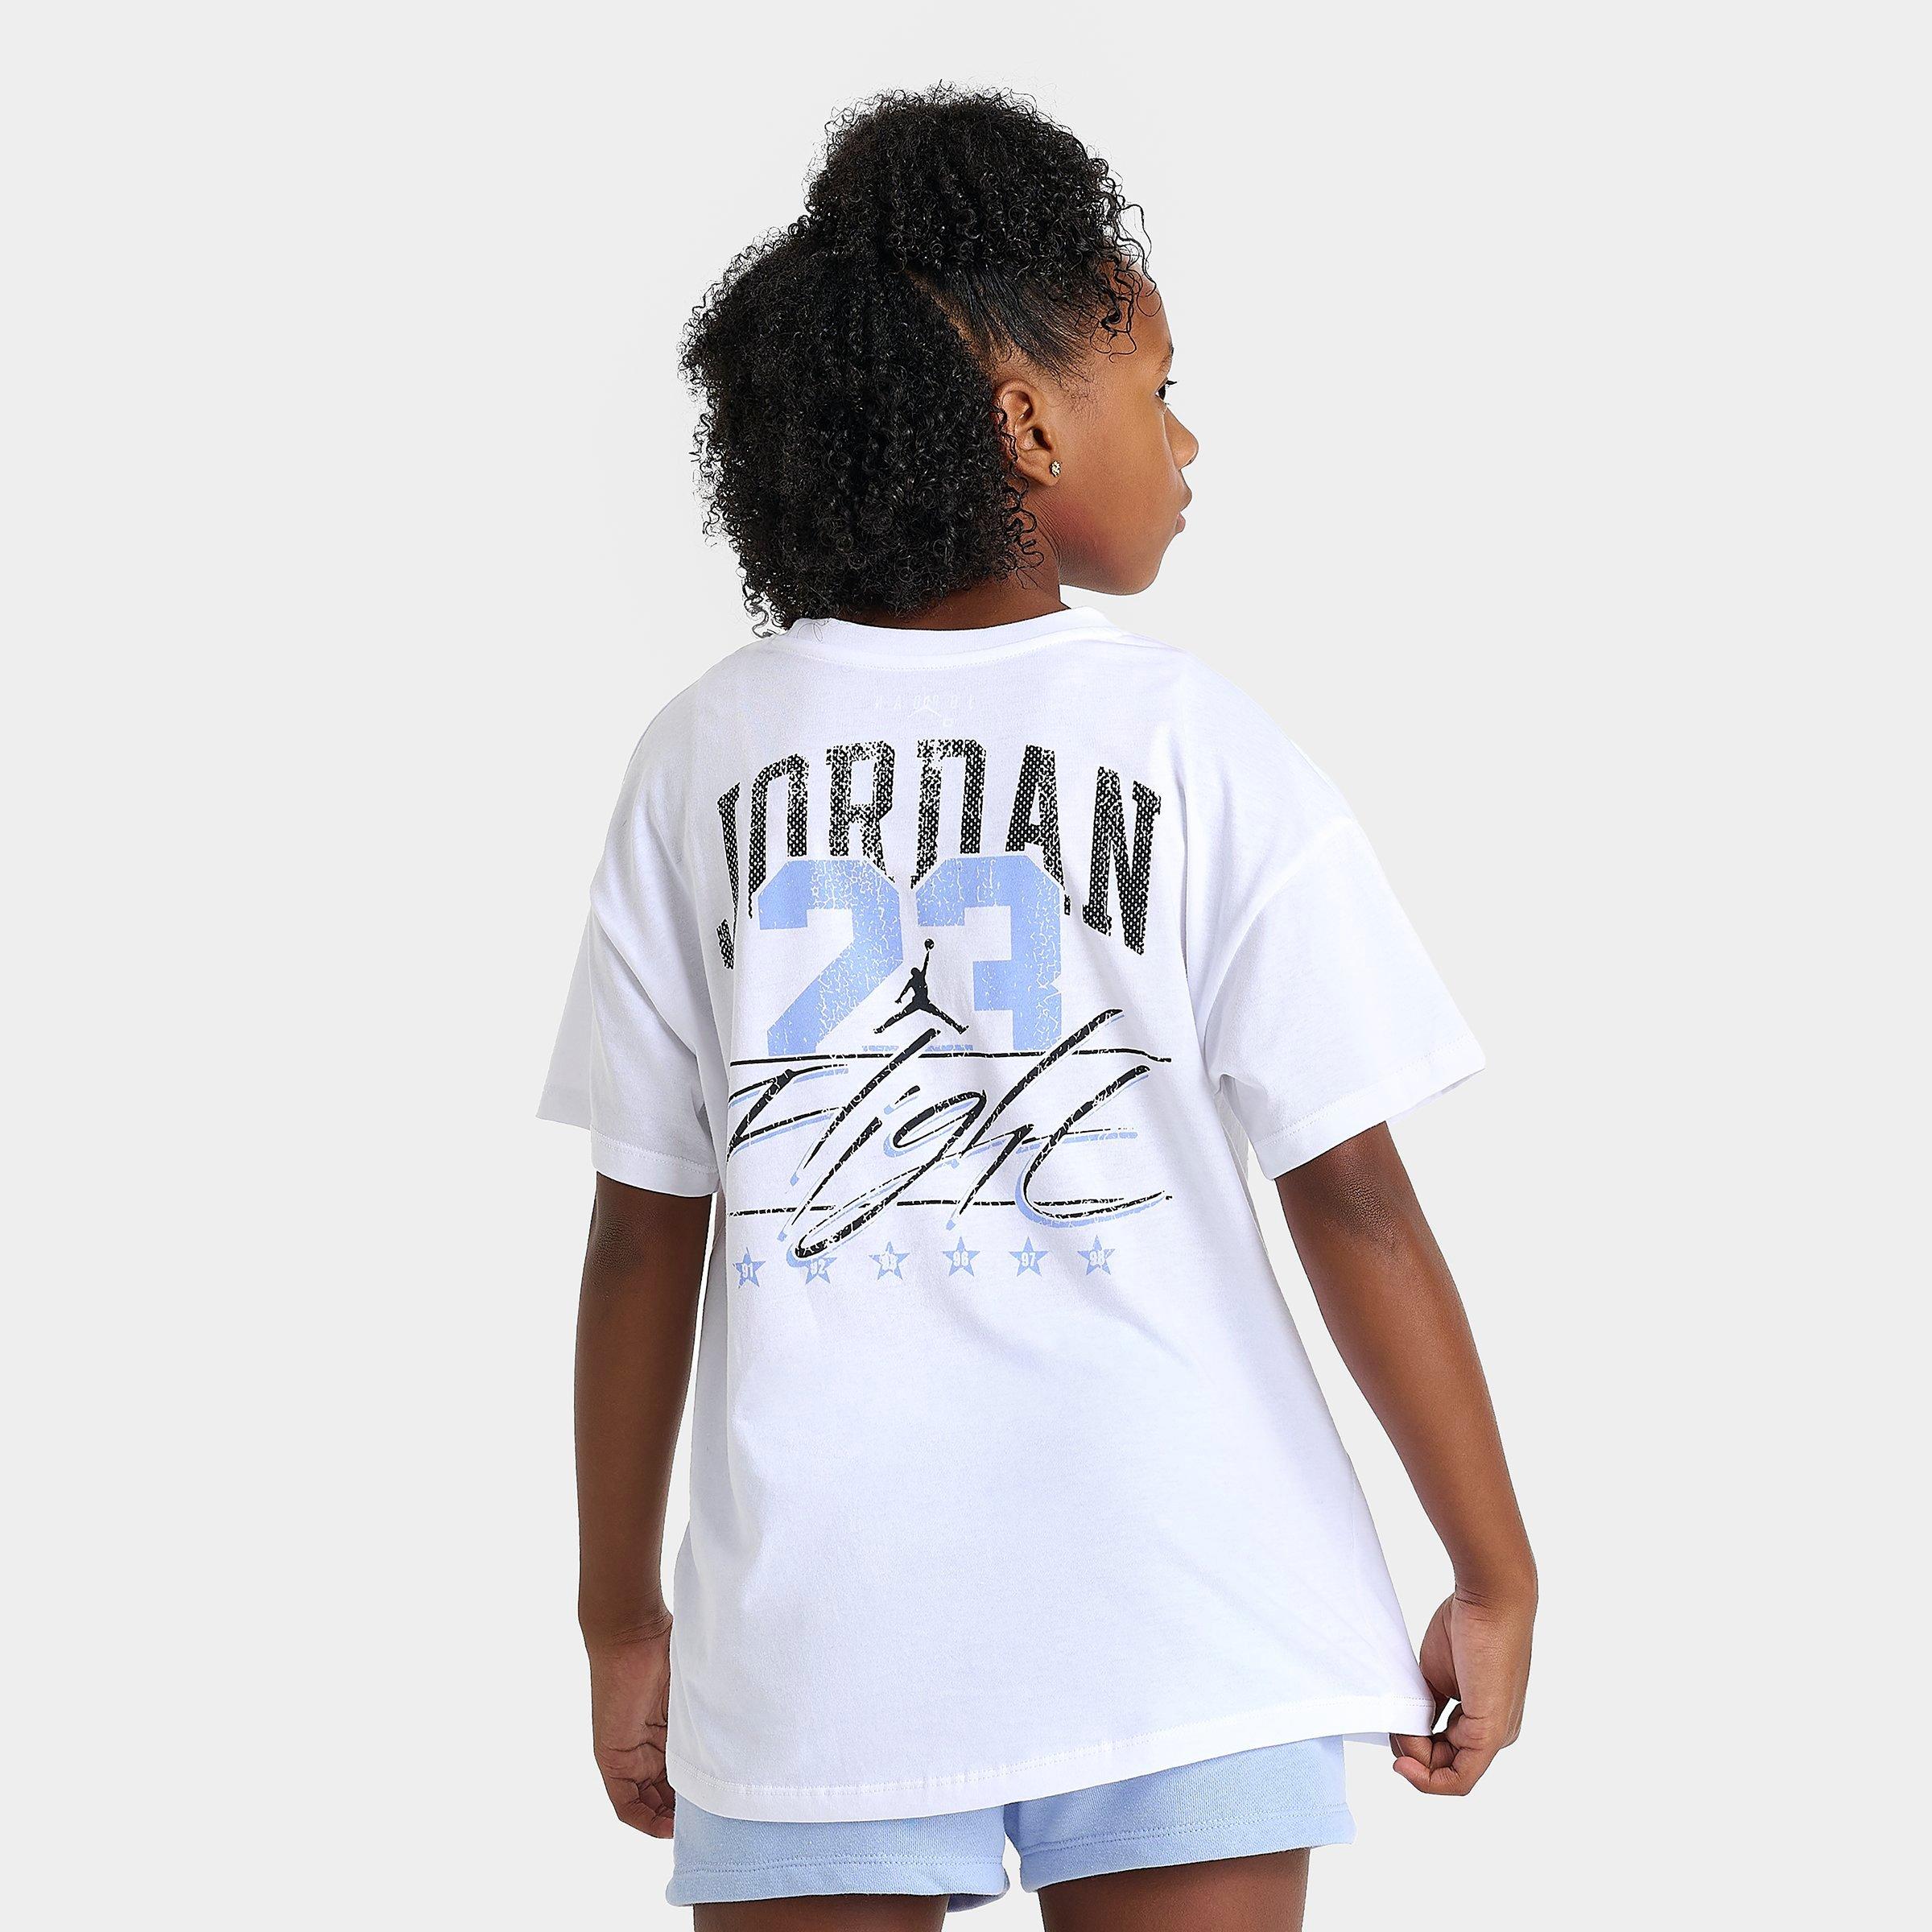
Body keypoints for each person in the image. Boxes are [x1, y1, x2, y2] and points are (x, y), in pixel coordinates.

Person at [540, 87, 1535, 1930]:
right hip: (1187, 1600)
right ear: (1024, 423)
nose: (1188, 439)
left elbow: (637, 1240)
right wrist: (1495, 1567)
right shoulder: (1199, 746)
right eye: (1157, 387)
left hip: (818, 1620)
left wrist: (620, 1615)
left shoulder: (699, 762)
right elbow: (1351, 1192)